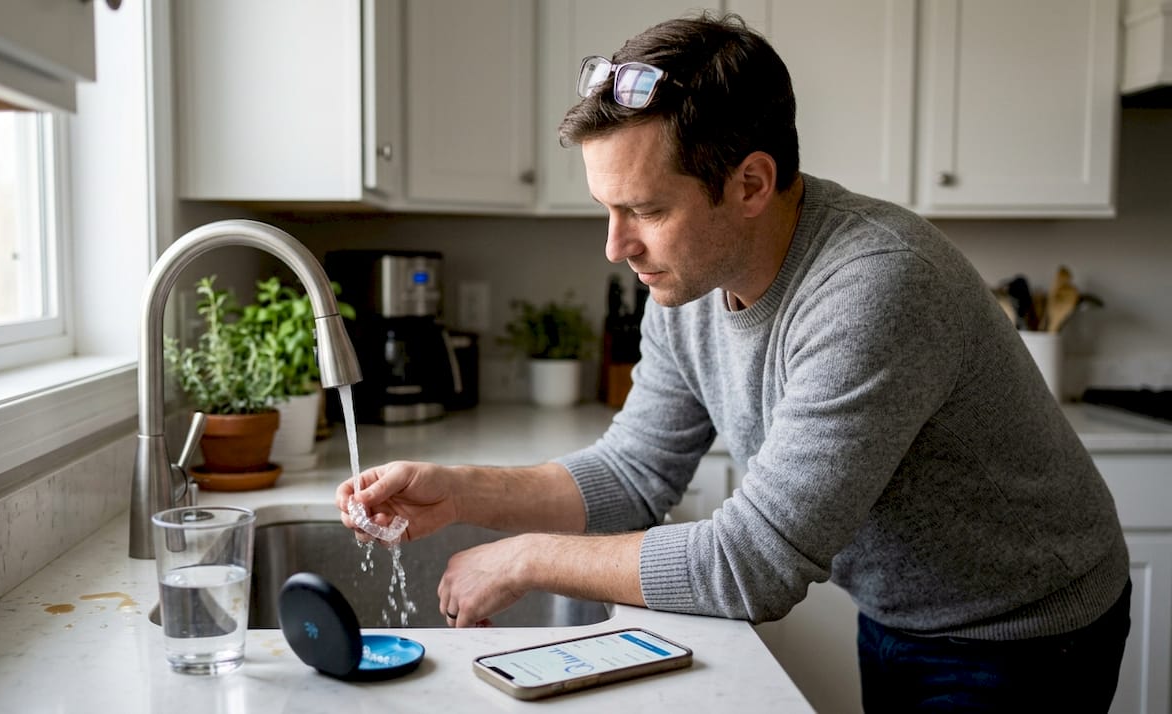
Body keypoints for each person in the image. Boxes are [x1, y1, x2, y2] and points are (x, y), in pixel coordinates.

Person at [337, 13, 1130, 712]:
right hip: (898, 609)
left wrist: (526, 557)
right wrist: (462, 492)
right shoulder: (686, 284)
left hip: (1025, 629)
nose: (616, 247)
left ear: (751, 183)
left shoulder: (877, 288)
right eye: (607, 210)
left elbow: (752, 567)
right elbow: (637, 472)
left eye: (646, 210)